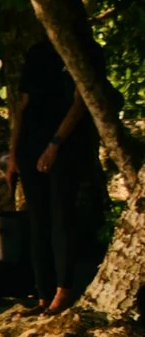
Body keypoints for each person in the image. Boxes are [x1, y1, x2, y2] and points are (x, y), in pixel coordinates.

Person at [9, 33, 106, 313]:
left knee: (61, 216)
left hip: (67, 145)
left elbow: (80, 103)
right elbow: (22, 105)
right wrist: (13, 154)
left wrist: (54, 146)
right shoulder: (37, 51)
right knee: (37, 220)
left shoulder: (84, 49)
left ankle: (63, 292)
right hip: (30, 142)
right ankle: (43, 295)